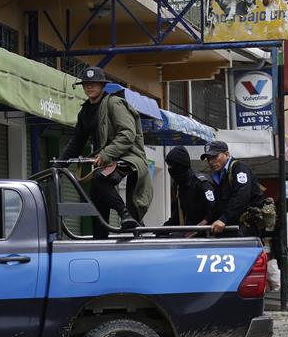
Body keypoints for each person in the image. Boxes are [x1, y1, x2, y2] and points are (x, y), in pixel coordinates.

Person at [58, 66, 152, 237]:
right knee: (96, 196)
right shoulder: (85, 111)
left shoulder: (113, 103)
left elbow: (127, 134)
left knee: (102, 180)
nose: (89, 87)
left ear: (102, 85)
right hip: (107, 160)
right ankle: (100, 239)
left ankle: (126, 216)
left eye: (94, 84)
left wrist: (106, 154)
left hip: (128, 157)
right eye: (86, 84)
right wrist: (60, 164)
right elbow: (77, 143)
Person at [202, 140, 267, 236]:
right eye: (208, 158)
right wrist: (207, 220)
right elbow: (219, 204)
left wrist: (224, 219)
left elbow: (241, 196)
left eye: (215, 157)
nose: (211, 162)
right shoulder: (218, 175)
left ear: (226, 154)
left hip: (246, 228)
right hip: (230, 228)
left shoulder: (239, 168)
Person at [163, 146, 216, 228]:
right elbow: (179, 216)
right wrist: (163, 229)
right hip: (188, 233)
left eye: (172, 166)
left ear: (181, 165)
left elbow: (213, 211)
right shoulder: (180, 185)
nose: (170, 169)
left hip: (205, 235)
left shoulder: (201, 183)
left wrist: (198, 229)